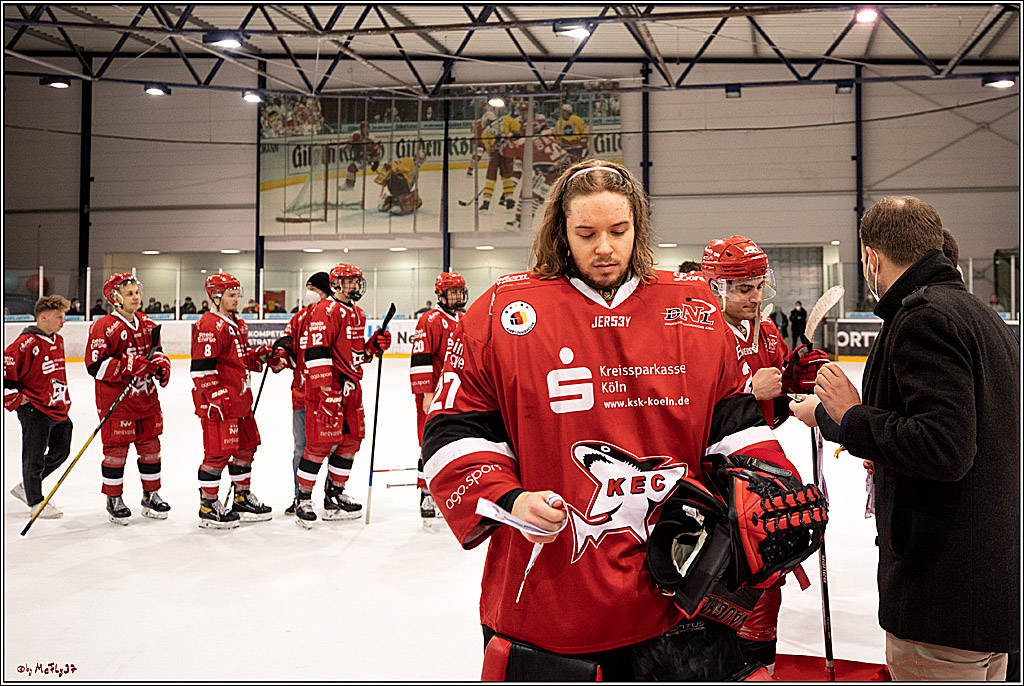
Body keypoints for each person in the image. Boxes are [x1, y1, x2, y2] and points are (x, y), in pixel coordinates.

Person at [422, 160, 803, 680]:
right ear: (561, 232)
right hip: (550, 596)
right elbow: (454, 429)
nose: (604, 247)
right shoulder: (500, 311)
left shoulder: (690, 306)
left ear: (638, 229)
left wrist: (768, 482)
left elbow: (731, 416)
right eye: (587, 233)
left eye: (618, 231)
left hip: (679, 589)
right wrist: (512, 499)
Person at [791, 196, 1019, 681]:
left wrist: (851, 416)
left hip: (944, 599)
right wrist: (836, 422)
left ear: (872, 258)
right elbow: (956, 432)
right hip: (986, 591)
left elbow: (944, 447)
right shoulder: (980, 316)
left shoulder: (924, 318)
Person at [700, 236, 829, 674]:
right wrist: (745, 393)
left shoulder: (767, 331)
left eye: (759, 285)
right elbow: (680, 408)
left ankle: (760, 665)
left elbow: (777, 409)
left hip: (754, 475)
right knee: (711, 576)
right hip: (705, 479)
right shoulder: (694, 334)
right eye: (743, 288)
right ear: (715, 287)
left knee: (766, 568)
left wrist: (799, 374)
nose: (755, 297)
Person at [292, 263, 391, 528]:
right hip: (327, 390)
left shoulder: (358, 313)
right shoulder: (325, 310)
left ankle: (334, 494)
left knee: (351, 441)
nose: (355, 286)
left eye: (357, 282)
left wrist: (374, 346)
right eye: (349, 282)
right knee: (318, 445)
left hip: (351, 390)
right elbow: (316, 352)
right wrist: (326, 391)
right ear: (336, 285)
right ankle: (303, 499)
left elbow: (357, 356)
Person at [189, 273, 275, 529]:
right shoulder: (209, 325)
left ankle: (241, 496)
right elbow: (201, 369)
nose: (236, 299)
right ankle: (208, 504)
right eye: (230, 295)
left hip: (239, 400)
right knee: (218, 453)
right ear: (215, 297)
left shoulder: (235, 323)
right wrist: (213, 392)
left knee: (246, 448)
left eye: (238, 294)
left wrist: (259, 356)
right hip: (219, 403)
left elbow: (236, 359)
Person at [85, 273, 172, 524]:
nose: (136, 297)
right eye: (130, 293)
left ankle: (151, 494)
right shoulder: (103, 327)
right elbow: (94, 366)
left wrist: (161, 364)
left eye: (137, 292)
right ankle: (114, 498)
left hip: (146, 399)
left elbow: (157, 352)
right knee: (116, 452)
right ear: (115, 298)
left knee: (151, 449)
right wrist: (126, 365)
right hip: (117, 403)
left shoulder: (147, 323)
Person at [5, 295, 73, 519]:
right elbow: (7, 375)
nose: (63, 322)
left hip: (58, 406)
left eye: (63, 317)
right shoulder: (25, 343)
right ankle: (35, 501)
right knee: (33, 456)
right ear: (43, 317)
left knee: (61, 451)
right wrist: (17, 398)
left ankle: (27, 486)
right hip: (35, 408)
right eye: (58, 317)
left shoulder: (58, 340)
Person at [409, 272, 467, 523]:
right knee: (429, 445)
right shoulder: (430, 320)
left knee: (455, 444)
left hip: (459, 394)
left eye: (459, 291)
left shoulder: (465, 318)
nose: (457, 296)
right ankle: (426, 494)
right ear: (441, 295)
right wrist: (426, 394)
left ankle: (447, 493)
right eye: (452, 291)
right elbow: (420, 358)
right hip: (434, 394)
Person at [270, 272, 329, 515]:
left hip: (327, 395)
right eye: (308, 287)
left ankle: (332, 494)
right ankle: (300, 496)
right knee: (301, 447)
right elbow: (288, 345)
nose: (309, 292)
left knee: (331, 448)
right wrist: (281, 357)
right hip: (302, 394)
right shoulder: (299, 317)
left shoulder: (332, 314)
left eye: (313, 288)